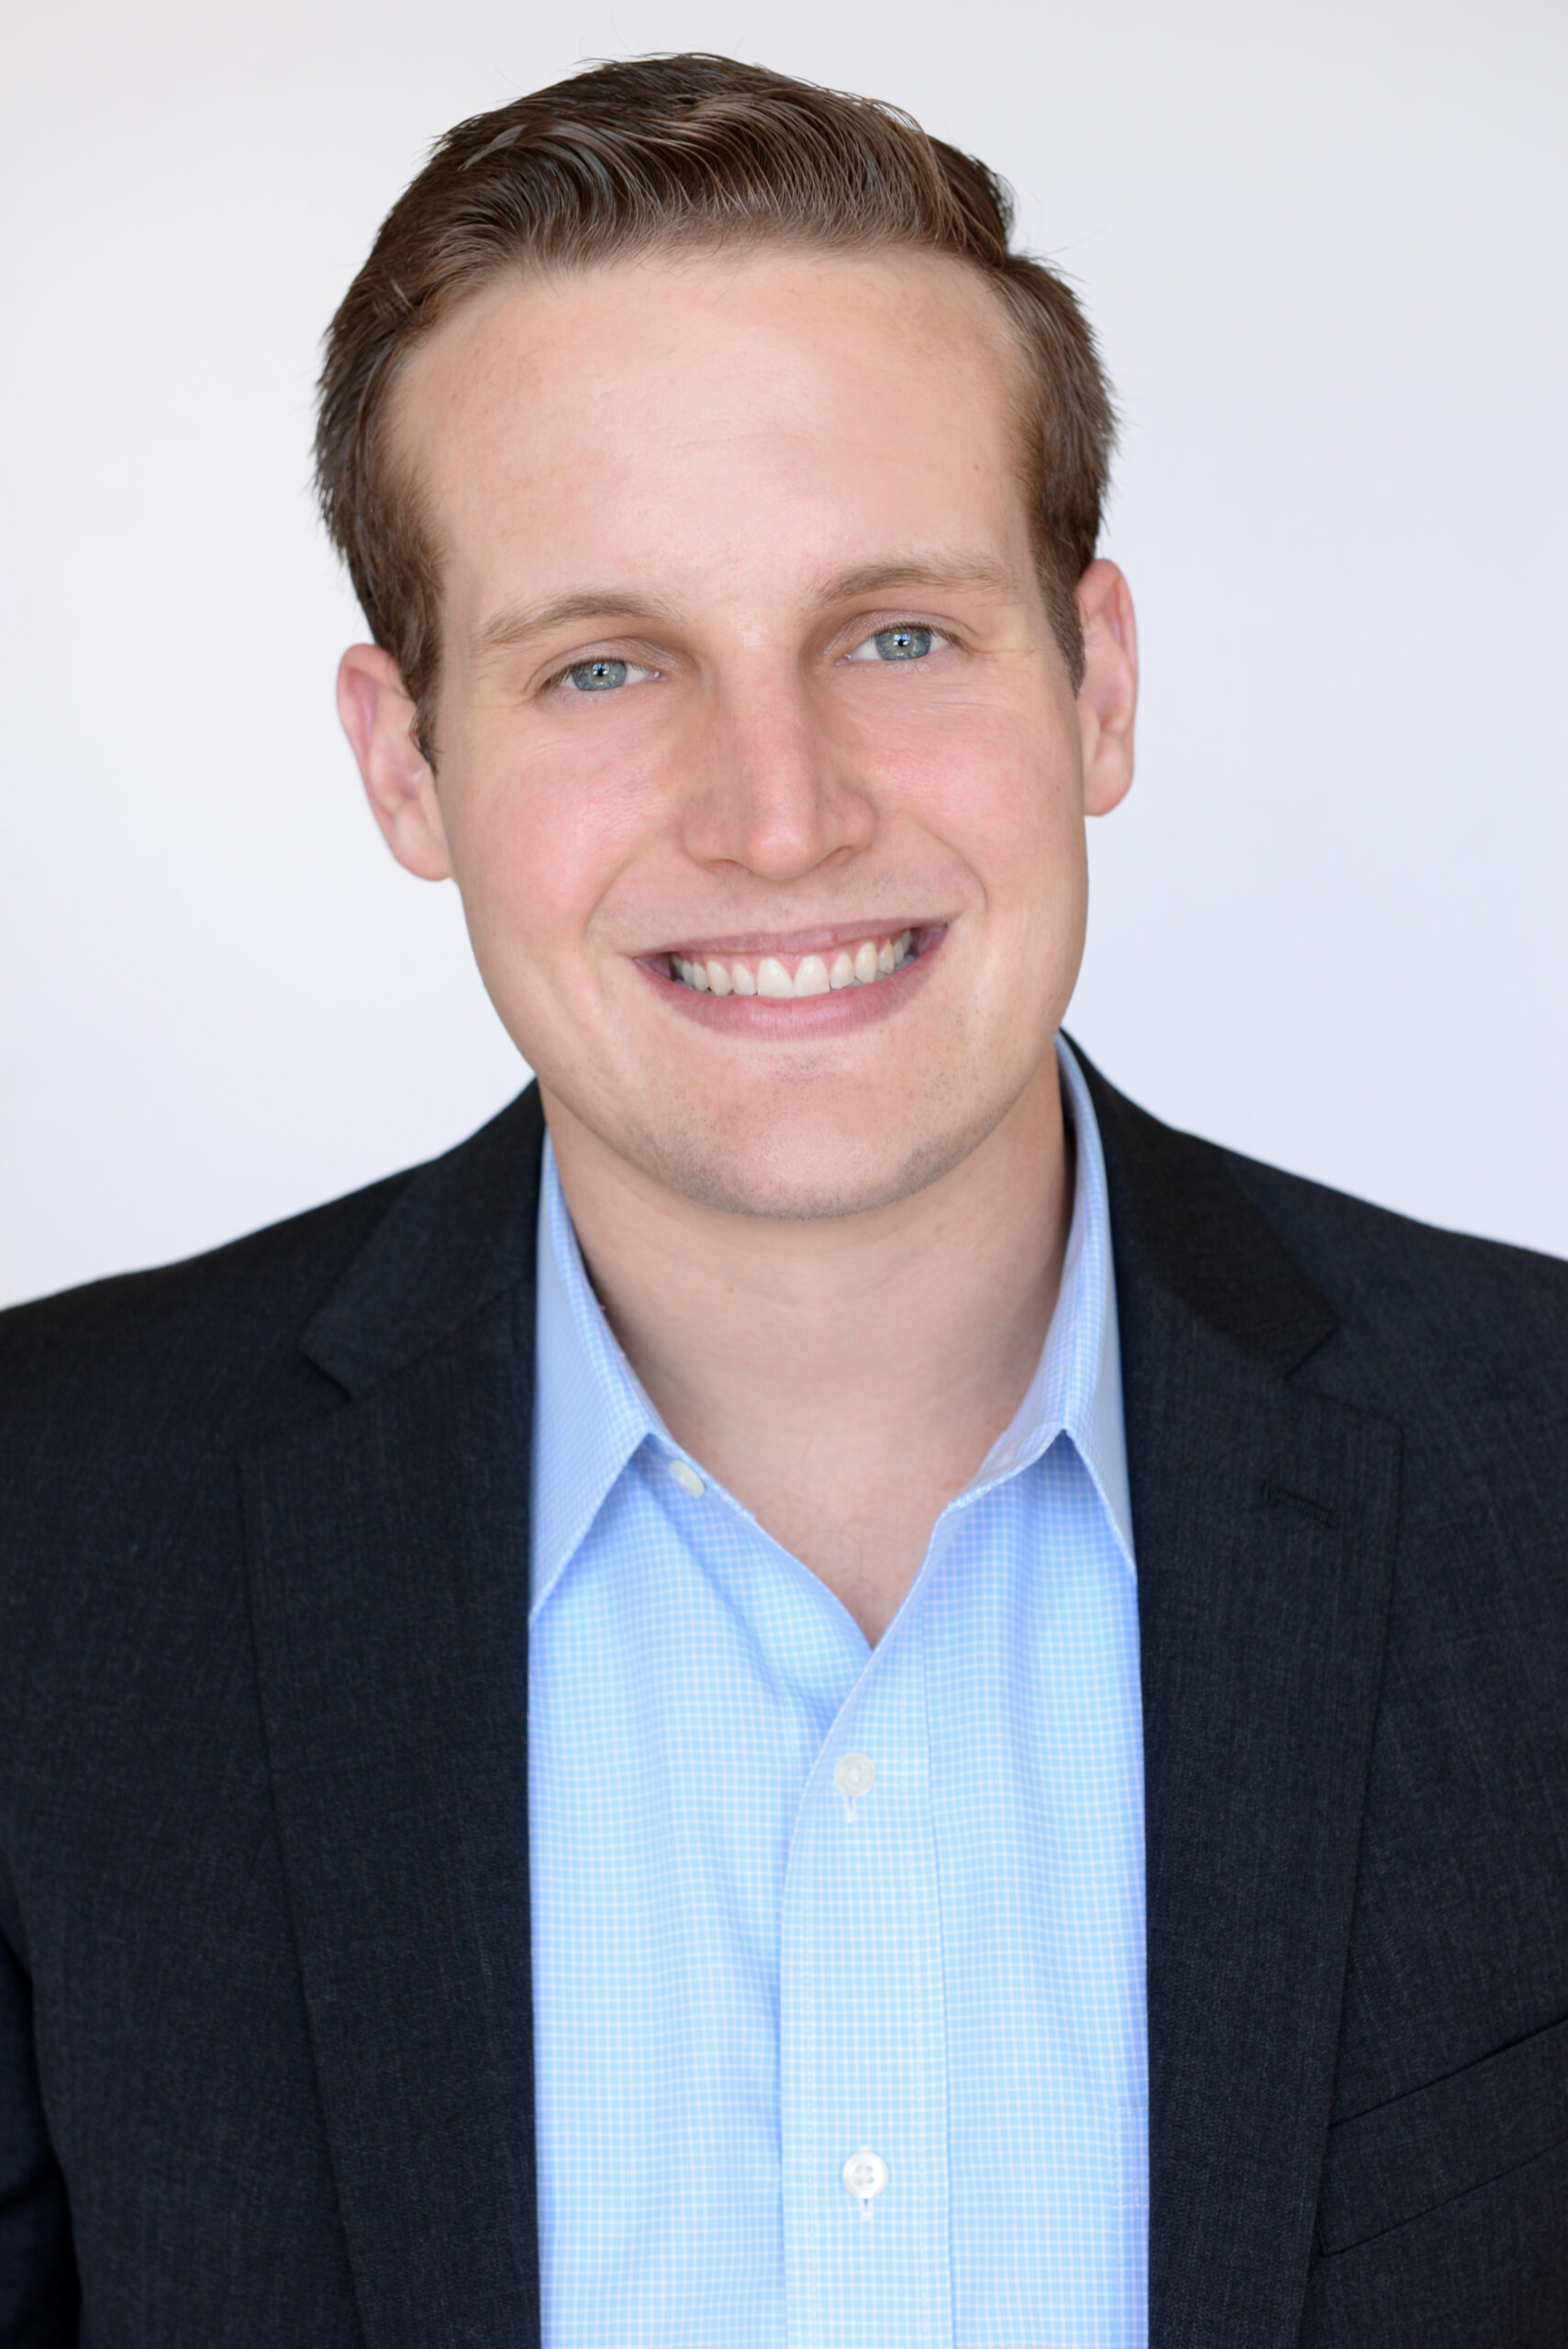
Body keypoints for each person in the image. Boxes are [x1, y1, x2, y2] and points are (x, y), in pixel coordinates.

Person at [1, 50, 1563, 2349]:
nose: (778, 809)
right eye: (605, 663)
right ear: (405, 762)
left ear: (1098, 681)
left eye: (901, 632)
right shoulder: (43, 1541)